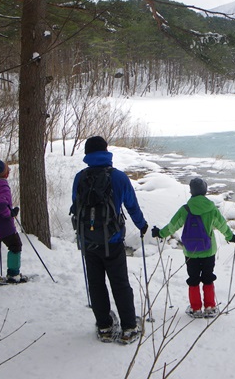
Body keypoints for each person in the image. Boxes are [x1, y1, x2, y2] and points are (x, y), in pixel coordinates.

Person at [72, 136, 148, 344]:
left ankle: (104, 326)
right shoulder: (118, 177)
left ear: (87, 154)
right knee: (120, 283)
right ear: (106, 151)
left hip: (88, 241)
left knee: (96, 284)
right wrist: (141, 225)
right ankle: (129, 327)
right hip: (112, 241)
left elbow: (75, 206)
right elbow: (131, 205)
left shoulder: (80, 178)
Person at [152, 177, 235, 318]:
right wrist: (232, 237)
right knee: (208, 277)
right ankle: (210, 307)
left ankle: (195, 308)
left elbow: (172, 226)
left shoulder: (185, 209)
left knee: (193, 278)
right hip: (208, 251)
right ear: (205, 191)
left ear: (191, 191)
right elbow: (222, 226)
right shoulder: (212, 209)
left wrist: (160, 233)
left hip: (191, 252)